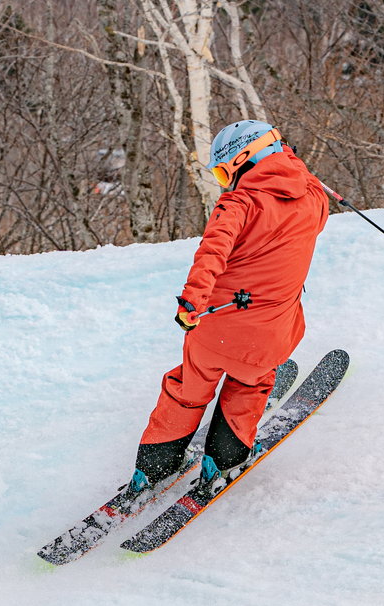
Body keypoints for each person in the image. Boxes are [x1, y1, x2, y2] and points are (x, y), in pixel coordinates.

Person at [128, 119, 329, 494]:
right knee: (251, 384)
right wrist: (292, 163)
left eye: (224, 171)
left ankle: (153, 468)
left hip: (215, 330)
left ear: (246, 160)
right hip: (270, 337)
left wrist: (192, 301)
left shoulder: (238, 202)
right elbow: (310, 196)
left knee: (188, 388)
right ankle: (222, 462)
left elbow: (212, 253)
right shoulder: (315, 198)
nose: (225, 181)